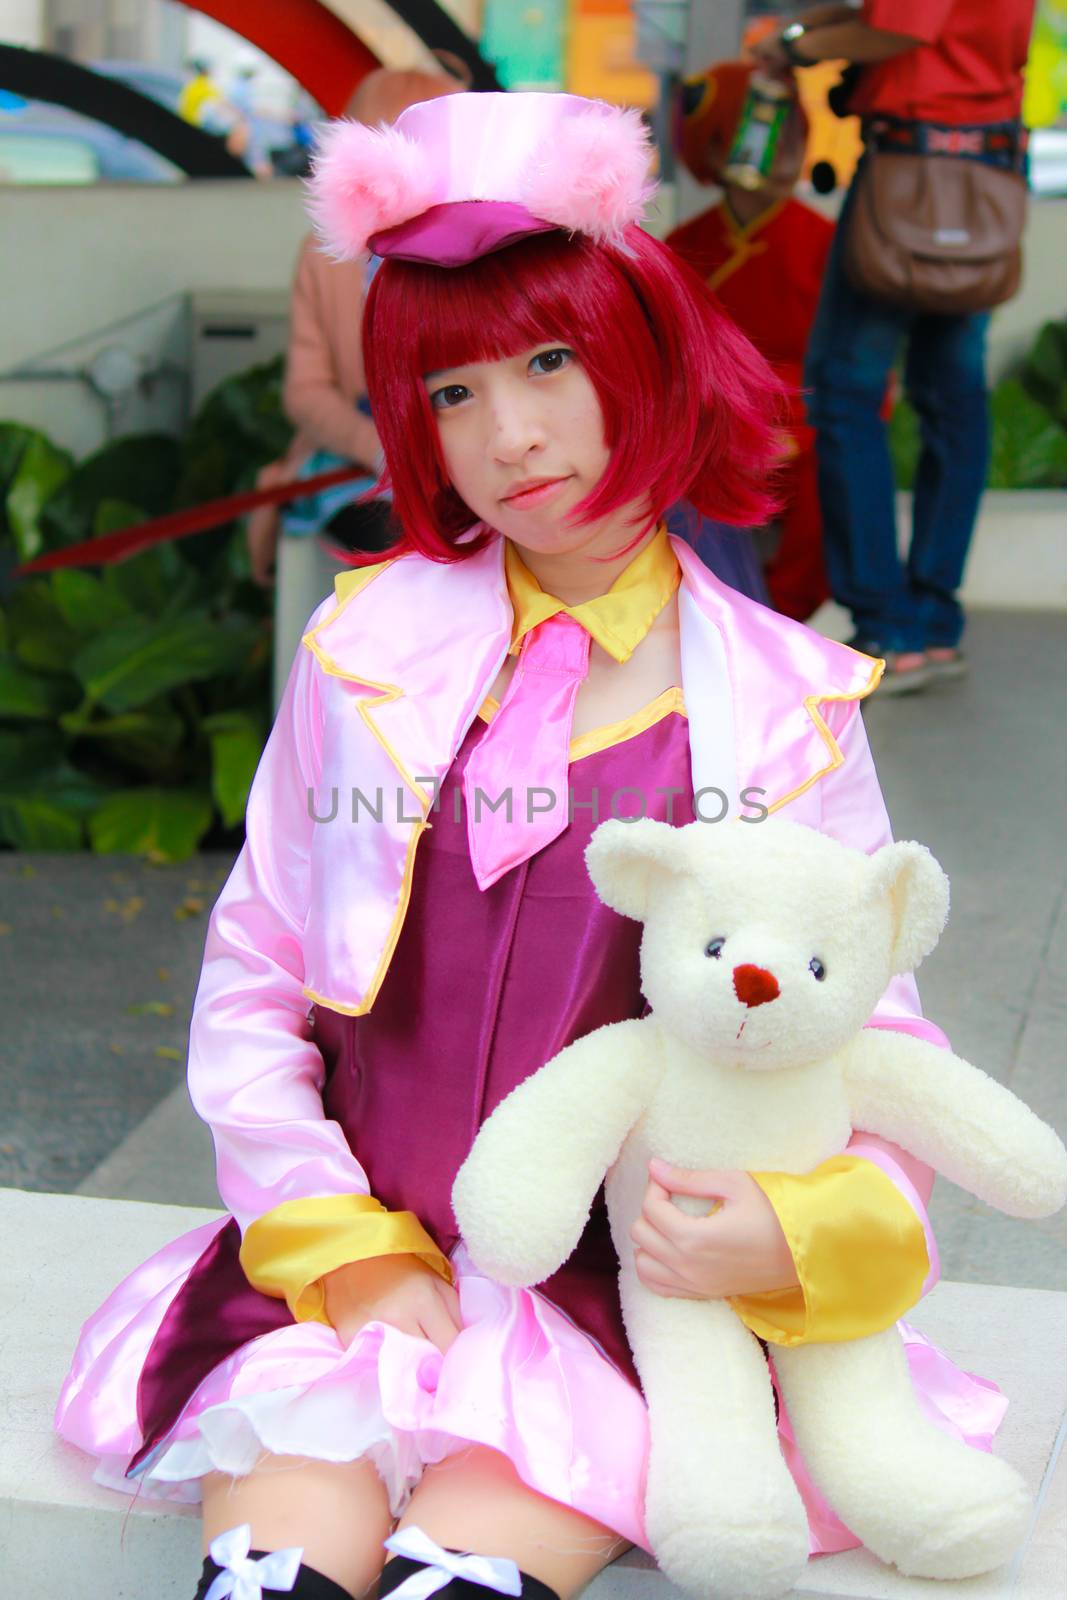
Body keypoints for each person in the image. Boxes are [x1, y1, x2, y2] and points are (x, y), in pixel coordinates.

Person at [57, 93, 1006, 1600]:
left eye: (550, 362)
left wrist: (793, 1223)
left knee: (461, 1585)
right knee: (269, 1582)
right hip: (349, 1274)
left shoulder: (780, 704)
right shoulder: (362, 647)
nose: (508, 437)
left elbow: (863, 1020)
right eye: (447, 391)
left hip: (615, 1308)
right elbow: (260, 960)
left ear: (642, 346)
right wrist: (330, 1233)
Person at [757, 2, 1036, 689]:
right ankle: (933, 623)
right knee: (951, 398)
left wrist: (792, 48)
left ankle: (889, 626)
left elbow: (899, 25)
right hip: (984, 166)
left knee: (846, 391)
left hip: (911, 169)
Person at [245, 66, 463, 709]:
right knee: (394, 542)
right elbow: (305, 392)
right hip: (361, 467)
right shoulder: (324, 250)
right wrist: (378, 446)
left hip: (464, 454)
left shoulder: (475, 245)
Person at [667, 58, 834, 621]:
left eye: (791, 133)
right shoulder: (683, 245)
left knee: (833, 472)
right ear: (715, 151)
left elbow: (854, 373)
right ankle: (708, 608)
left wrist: (794, 430)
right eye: (763, 133)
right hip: (716, 417)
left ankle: (785, 616)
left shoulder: (824, 243)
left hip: (806, 417)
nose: (781, 150)